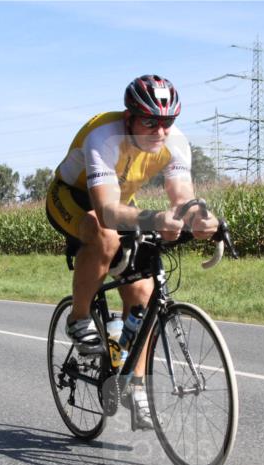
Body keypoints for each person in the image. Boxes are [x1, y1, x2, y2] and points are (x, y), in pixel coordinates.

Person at [46, 74, 218, 428]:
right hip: (73, 197)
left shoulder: (175, 142)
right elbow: (106, 211)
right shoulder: (104, 136)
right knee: (103, 233)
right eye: (150, 122)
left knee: (143, 290)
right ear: (129, 118)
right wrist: (157, 218)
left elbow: (181, 196)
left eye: (167, 122)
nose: (160, 131)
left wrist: (201, 219)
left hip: (120, 201)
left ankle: (134, 384)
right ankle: (79, 318)